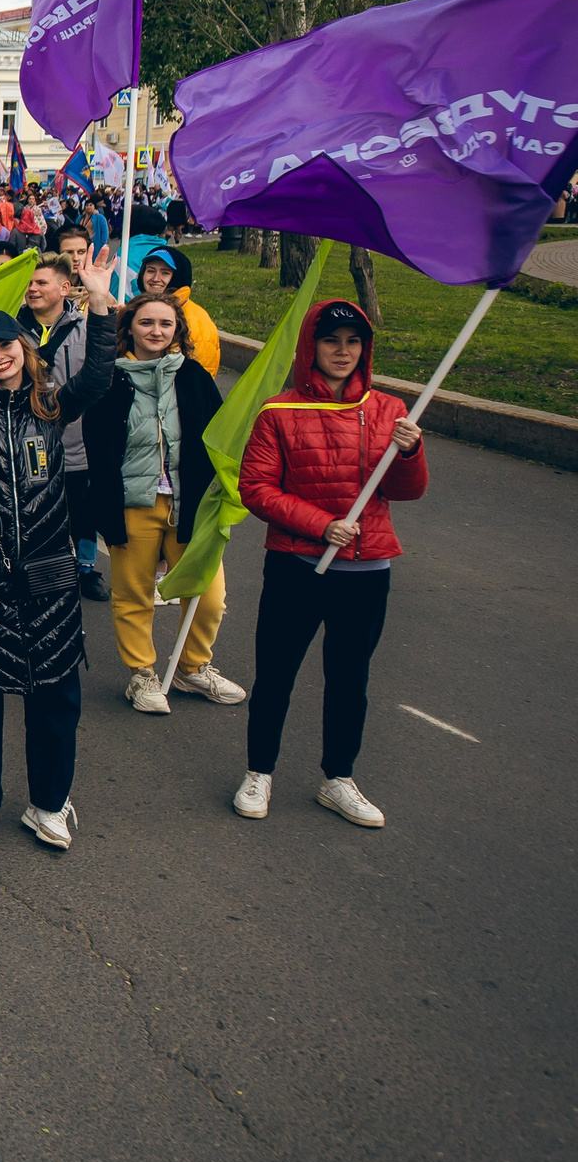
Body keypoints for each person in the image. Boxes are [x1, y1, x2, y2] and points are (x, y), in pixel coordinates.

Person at [0, 247, 120, 853]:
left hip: (51, 573)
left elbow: (100, 377)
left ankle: (49, 802)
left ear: (23, 348)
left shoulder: (50, 403)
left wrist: (101, 302)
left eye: (6, 345)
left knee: (57, 695)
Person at [231, 300, 428, 829]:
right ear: (310, 347)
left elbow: (405, 492)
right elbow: (256, 489)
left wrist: (409, 454)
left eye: (353, 342)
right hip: (297, 563)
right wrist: (320, 525)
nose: (343, 352)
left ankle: (338, 778)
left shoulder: (389, 409)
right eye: (331, 340)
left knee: (349, 678)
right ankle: (259, 772)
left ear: (365, 349)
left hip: (366, 568)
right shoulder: (279, 411)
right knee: (276, 674)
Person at [82, 293, 241, 714]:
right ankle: (142, 674)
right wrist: (105, 512)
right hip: (134, 504)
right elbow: (98, 449)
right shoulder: (110, 380)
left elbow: (218, 436)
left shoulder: (193, 377)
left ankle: (193, 667)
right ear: (129, 328)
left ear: (178, 331)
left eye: (165, 324)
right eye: (146, 323)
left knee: (210, 596)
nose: (156, 331)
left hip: (191, 505)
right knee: (134, 594)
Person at [19, 252, 113, 602]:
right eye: (29, 283)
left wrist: (101, 299)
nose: (33, 289)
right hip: (28, 443)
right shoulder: (12, 330)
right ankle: (44, 572)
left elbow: (99, 374)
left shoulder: (87, 328)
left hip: (77, 442)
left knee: (82, 511)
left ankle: (86, 568)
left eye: (41, 282)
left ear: (64, 287)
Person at [133, 245, 221, 374]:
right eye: (151, 271)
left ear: (178, 277)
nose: (156, 278)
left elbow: (200, 377)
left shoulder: (197, 323)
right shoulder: (140, 308)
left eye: (165, 273)